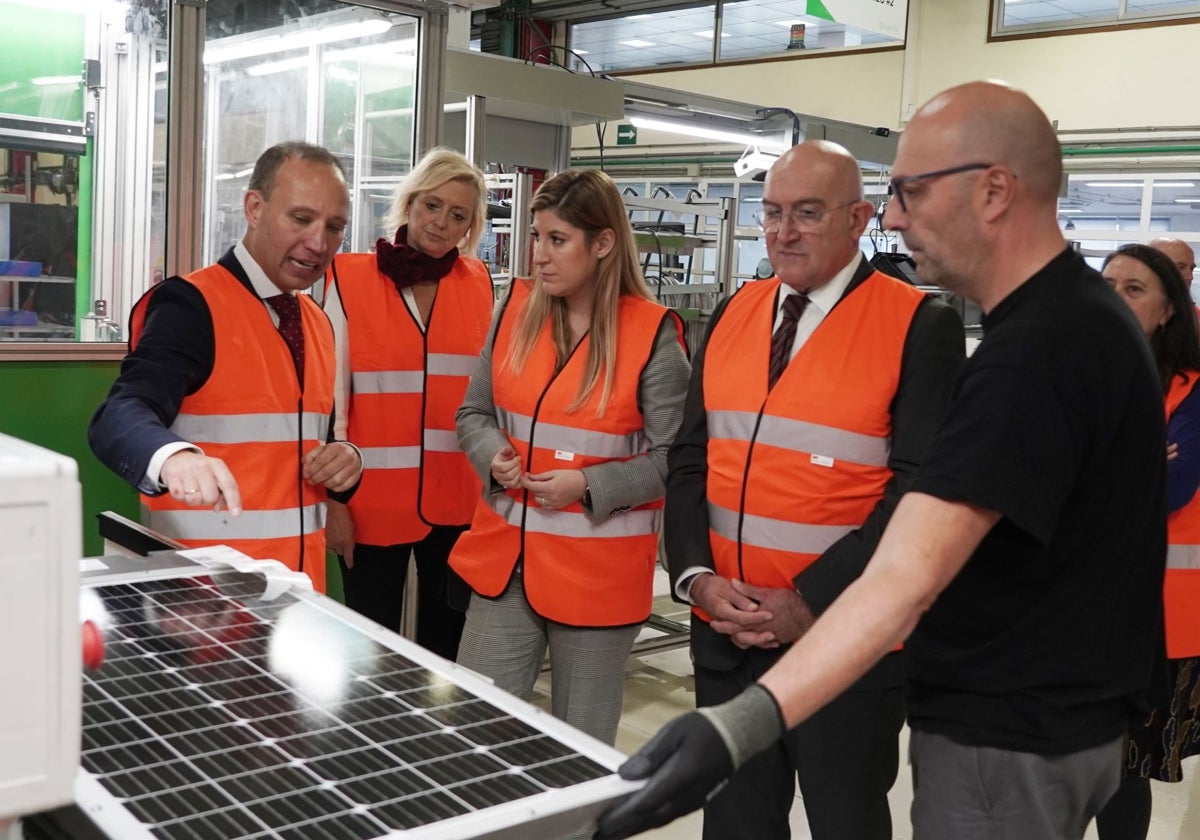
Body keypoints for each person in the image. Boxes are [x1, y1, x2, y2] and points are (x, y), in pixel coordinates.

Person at [596, 80, 1167, 840]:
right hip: (1035, 716)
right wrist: (700, 579)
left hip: (1008, 731)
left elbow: (904, 574)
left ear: (994, 190)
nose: (894, 217)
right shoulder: (1074, 322)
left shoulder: (1031, 352)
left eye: (909, 191)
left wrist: (740, 724)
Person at [664, 139, 964, 840]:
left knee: (845, 822)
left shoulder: (919, 325)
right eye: (771, 212)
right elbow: (688, 460)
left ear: (860, 219)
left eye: (806, 212)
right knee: (735, 825)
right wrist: (697, 579)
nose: (781, 231)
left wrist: (810, 601)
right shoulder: (736, 311)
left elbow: (920, 493)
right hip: (728, 638)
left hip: (847, 645)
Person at [450, 168, 690, 747]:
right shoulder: (515, 309)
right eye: (536, 236)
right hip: (503, 569)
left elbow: (675, 458)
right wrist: (495, 458)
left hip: (596, 581)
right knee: (472, 740)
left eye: (557, 239)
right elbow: (473, 415)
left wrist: (588, 486)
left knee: (576, 753)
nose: (538, 255)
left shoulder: (652, 334)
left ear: (602, 244)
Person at [89, 141, 362, 594]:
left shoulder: (316, 321)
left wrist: (346, 460)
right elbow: (120, 412)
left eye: (334, 227)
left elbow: (313, 439)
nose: (319, 243)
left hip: (297, 595)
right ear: (254, 207)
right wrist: (172, 456)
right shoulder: (190, 306)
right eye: (301, 218)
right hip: (203, 601)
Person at [322, 148, 492, 659]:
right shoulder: (347, 277)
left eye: (458, 215)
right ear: (410, 204)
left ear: (470, 226)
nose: (441, 223)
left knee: (447, 651)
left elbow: (487, 397)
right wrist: (333, 501)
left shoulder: (479, 284)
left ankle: (435, 740)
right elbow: (329, 401)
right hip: (369, 501)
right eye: (432, 206)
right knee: (366, 649)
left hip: (457, 504)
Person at [1095, 244, 1200, 840]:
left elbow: (1172, 488)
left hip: (1152, 619)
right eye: (1107, 284)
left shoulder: (1189, 392)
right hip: (1067, 608)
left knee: (1121, 768)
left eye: (1134, 289)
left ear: (1168, 311)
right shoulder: (1070, 375)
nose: (1115, 298)